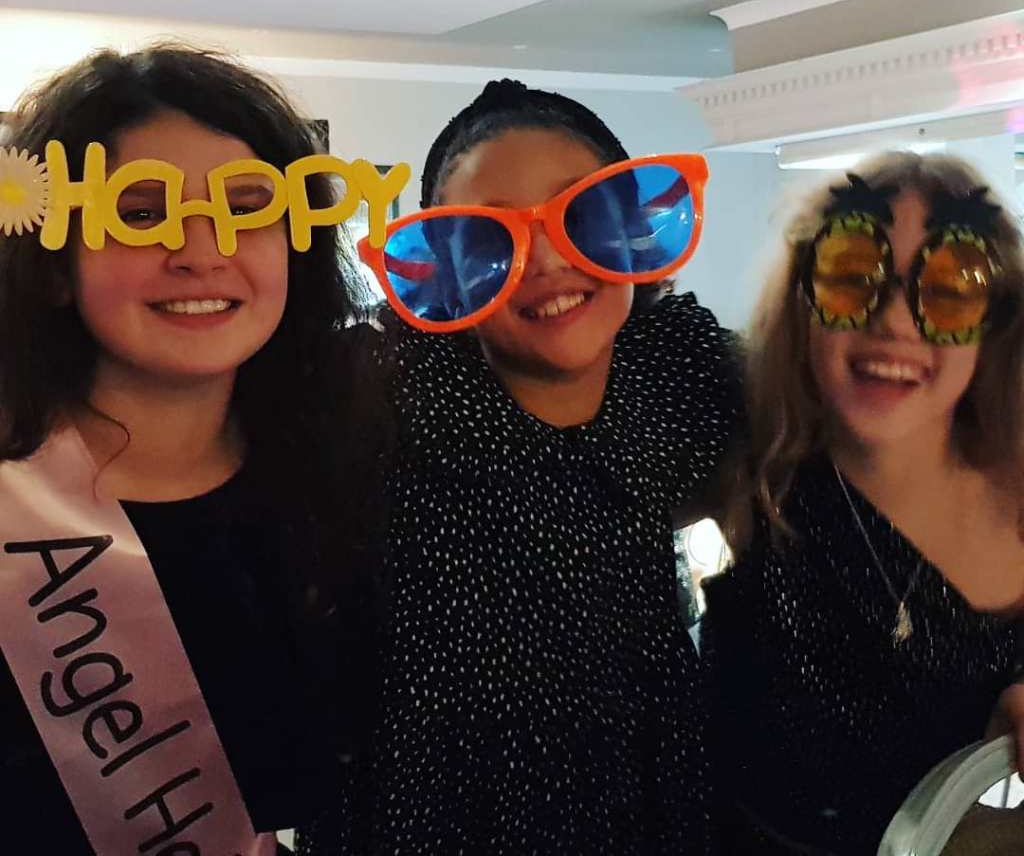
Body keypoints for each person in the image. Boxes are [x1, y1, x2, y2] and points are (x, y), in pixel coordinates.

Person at [301, 78, 743, 855]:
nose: (545, 259)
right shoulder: (370, 403)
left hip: (655, 805)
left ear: (632, 228)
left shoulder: (679, 374)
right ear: (444, 272)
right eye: (488, 239)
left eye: (583, 215)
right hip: (429, 823)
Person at [0, 44, 383, 854]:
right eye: (141, 213)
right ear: (54, 265)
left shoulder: (347, 474)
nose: (203, 251)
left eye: (248, 207)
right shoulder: (11, 498)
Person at [701, 152, 1024, 855]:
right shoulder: (751, 463)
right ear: (803, 301)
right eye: (852, 277)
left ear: (995, 321)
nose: (895, 322)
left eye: (951, 289)